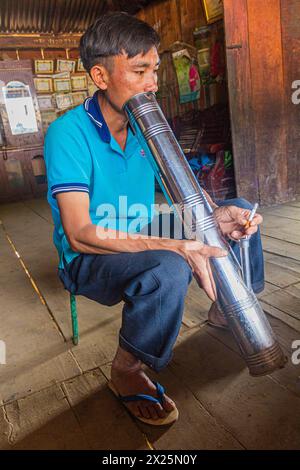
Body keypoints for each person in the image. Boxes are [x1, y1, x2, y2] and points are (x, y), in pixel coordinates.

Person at [44, 12, 264, 426]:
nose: (152, 83)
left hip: (145, 229)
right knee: (168, 266)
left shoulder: (147, 127)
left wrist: (216, 216)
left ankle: (230, 307)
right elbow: (79, 234)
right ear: (100, 76)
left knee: (239, 207)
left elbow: (184, 197)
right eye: (140, 70)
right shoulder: (67, 134)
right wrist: (176, 245)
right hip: (89, 257)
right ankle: (126, 369)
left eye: (155, 70)